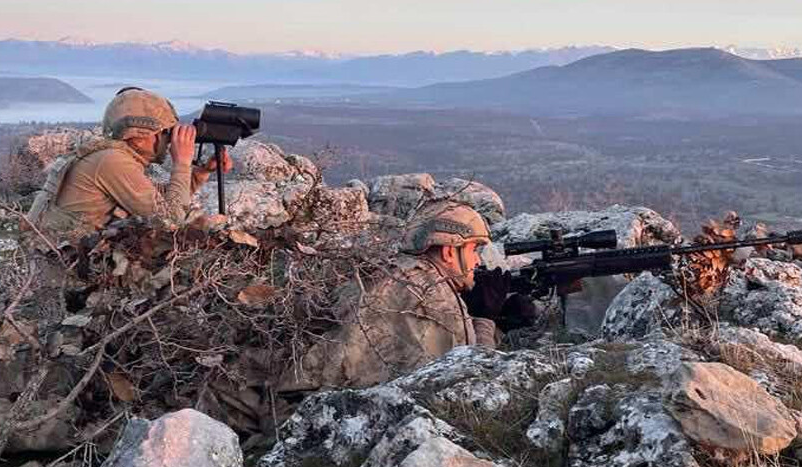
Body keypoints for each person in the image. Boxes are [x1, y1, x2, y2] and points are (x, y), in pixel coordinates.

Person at [278, 202, 534, 392]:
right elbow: (472, 386)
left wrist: (498, 325)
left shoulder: (395, 271)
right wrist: (486, 319)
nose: (477, 260)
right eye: (473, 250)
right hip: (311, 409)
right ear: (448, 252)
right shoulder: (433, 295)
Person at [27, 87, 233, 237]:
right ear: (141, 134)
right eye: (164, 133)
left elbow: (159, 199)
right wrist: (182, 162)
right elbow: (171, 219)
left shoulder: (111, 157)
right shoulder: (112, 162)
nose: (168, 140)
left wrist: (201, 172)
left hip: (63, 249)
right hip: (57, 262)